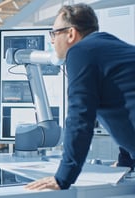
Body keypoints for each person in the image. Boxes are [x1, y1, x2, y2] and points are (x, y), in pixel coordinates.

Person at [25, 3, 135, 190]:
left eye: (54, 33)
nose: (52, 41)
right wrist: (126, 161)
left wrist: (63, 177)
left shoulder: (80, 52)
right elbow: (124, 104)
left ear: (71, 34)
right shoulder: (109, 47)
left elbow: (80, 116)